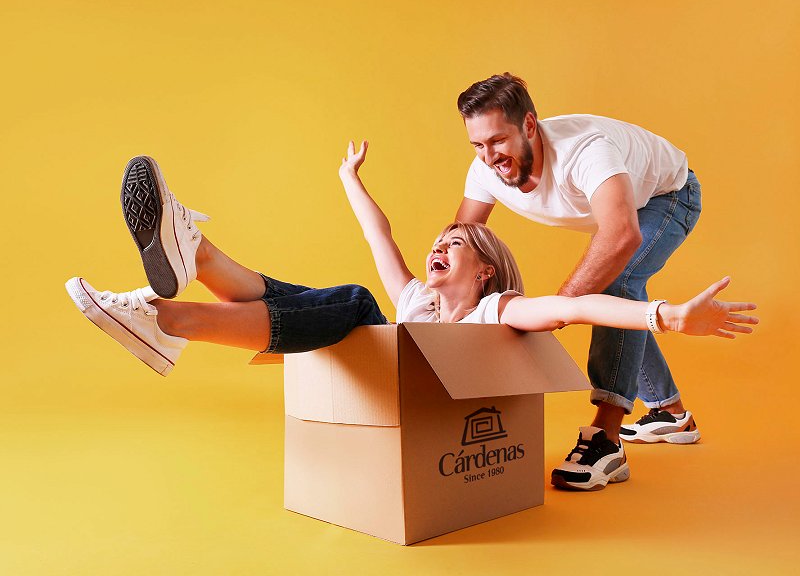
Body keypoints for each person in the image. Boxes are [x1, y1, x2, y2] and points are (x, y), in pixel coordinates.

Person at [67, 147, 757, 489]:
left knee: (350, 304)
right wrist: (349, 180)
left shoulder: (496, 313)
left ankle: (167, 315)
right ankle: (192, 255)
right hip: (376, 376)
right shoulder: (419, 303)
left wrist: (665, 314)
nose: (439, 246)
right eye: (439, 241)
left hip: (414, 409)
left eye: (454, 242)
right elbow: (382, 239)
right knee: (316, 299)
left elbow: (576, 305)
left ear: (485, 267)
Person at [454, 72, 713, 484]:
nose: (489, 157)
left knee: (617, 283)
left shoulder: (586, 150)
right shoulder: (484, 168)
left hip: (669, 196)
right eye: (478, 145)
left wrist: (560, 307)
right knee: (618, 290)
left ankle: (607, 438)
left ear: (529, 125)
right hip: (619, 212)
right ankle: (672, 413)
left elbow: (622, 235)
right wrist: (446, 311)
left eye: (498, 141)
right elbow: (462, 239)